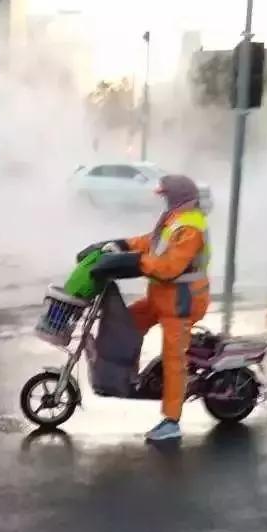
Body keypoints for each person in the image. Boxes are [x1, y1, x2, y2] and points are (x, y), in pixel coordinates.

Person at [92, 174, 210, 443]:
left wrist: (134, 263)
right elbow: (152, 242)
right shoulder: (176, 218)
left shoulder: (191, 227)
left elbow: (169, 266)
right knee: (126, 323)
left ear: (178, 196)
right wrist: (121, 245)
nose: (163, 199)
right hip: (162, 298)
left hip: (182, 303)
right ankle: (125, 376)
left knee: (173, 359)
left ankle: (171, 421)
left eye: (166, 195)